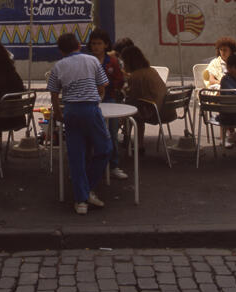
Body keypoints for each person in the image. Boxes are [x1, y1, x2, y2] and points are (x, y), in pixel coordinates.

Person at [46, 32, 111, 215]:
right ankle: (88, 188)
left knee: (76, 155)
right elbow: (102, 85)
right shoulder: (92, 61)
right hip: (90, 109)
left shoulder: (58, 66)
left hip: (70, 110)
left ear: (61, 50)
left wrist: (58, 112)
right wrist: (97, 96)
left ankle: (81, 199)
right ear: (78, 45)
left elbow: (53, 93)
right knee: (104, 148)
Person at [87, 27, 128, 180]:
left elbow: (119, 80)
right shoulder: (87, 60)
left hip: (110, 99)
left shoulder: (113, 61)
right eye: (93, 44)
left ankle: (114, 165)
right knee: (91, 135)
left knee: (112, 133)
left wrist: (108, 87)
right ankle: (91, 166)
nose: (96, 47)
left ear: (105, 45)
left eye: (99, 43)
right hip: (90, 101)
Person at [121, 45, 167, 155]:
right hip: (164, 109)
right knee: (134, 107)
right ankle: (136, 143)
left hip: (152, 111)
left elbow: (132, 96)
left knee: (129, 109)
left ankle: (127, 140)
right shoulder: (151, 70)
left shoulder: (136, 76)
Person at [218, 51, 236, 148]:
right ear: (227, 67)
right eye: (230, 67)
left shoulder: (235, 80)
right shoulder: (226, 79)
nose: (233, 70)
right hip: (228, 116)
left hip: (230, 115)